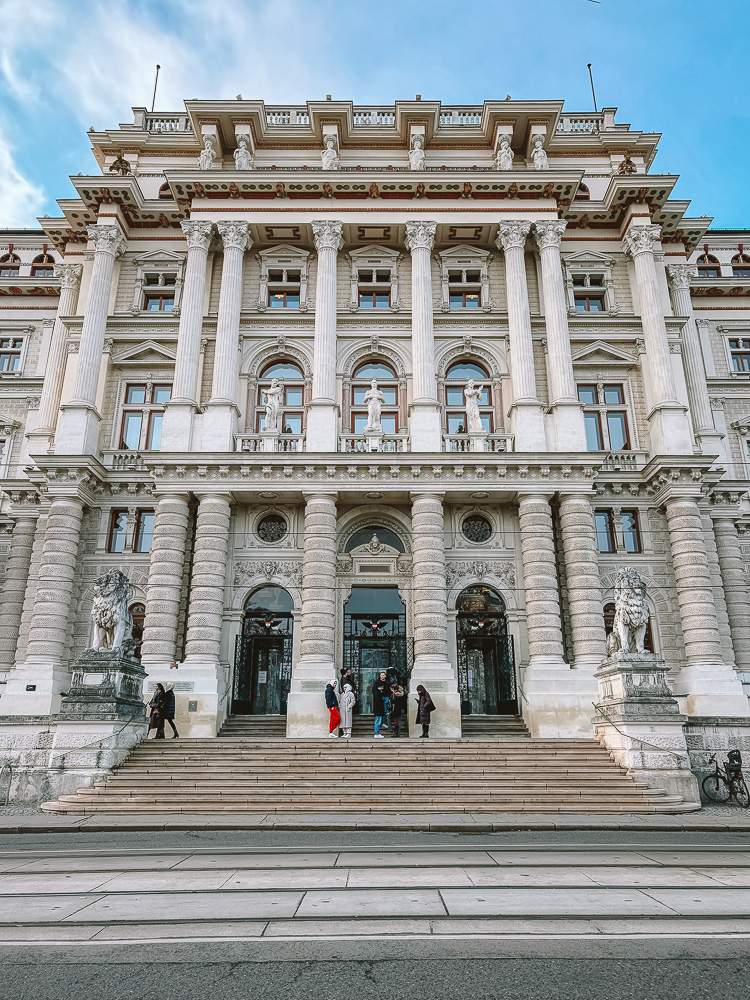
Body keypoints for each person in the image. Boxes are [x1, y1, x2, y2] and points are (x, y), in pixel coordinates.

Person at [372, 671, 388, 738]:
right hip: (379, 705)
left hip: (380, 703)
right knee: (378, 719)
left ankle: (382, 724)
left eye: (383, 675)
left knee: (384, 713)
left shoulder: (386, 683)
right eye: (381, 675)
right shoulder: (377, 684)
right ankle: (376, 733)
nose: (382, 676)